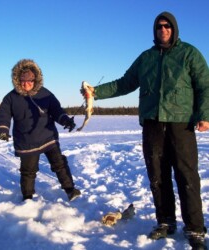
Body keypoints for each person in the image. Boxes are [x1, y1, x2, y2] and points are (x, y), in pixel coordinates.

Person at [81, 12, 209, 249]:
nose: (163, 29)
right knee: (158, 176)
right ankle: (166, 222)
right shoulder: (146, 58)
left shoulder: (189, 54)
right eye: (159, 26)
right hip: (152, 123)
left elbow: (204, 85)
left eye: (168, 26)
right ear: (155, 30)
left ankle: (195, 228)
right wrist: (95, 92)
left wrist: (204, 114)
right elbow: (124, 83)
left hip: (181, 123)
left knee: (186, 176)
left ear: (174, 29)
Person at [0, 59, 81, 202]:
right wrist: (2, 129)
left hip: (48, 137)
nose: (26, 84)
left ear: (35, 80)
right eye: (23, 81)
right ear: (17, 80)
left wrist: (65, 120)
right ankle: (27, 197)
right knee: (28, 172)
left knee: (59, 163)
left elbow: (56, 110)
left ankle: (70, 190)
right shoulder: (11, 97)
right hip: (26, 141)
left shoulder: (45, 93)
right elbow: (4, 114)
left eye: (30, 81)